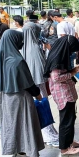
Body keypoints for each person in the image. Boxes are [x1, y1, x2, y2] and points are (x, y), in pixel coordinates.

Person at [0, 30, 45, 157]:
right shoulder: (17, 61)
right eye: (19, 39)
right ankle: (29, 151)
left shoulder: (2, 57)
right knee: (25, 123)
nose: (21, 42)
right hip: (20, 97)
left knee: (12, 124)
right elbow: (28, 83)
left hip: (6, 97)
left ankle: (15, 150)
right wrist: (38, 95)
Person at [21, 11, 61, 147]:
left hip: (33, 85)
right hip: (38, 85)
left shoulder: (26, 48)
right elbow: (40, 71)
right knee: (43, 105)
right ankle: (49, 135)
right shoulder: (34, 49)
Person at [44, 36, 79, 155]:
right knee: (66, 120)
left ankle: (69, 141)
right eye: (71, 50)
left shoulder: (60, 55)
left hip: (66, 92)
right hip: (63, 94)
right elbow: (56, 78)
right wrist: (72, 72)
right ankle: (65, 148)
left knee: (71, 118)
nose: (71, 53)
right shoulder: (57, 59)